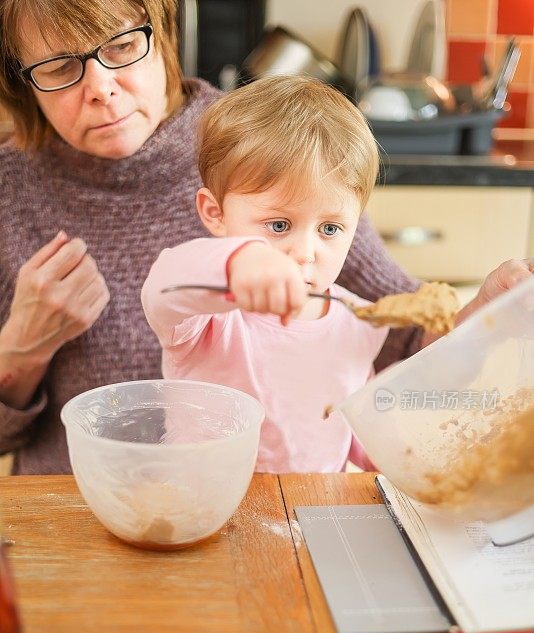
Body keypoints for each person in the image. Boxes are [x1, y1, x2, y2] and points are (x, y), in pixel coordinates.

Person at [0, 0, 531, 475]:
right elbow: (166, 288)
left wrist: (486, 318)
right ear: (21, 77)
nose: (100, 87)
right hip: (71, 513)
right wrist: (19, 351)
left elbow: (403, 348)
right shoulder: (10, 188)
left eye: (120, 46)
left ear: (161, 31)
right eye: (60, 67)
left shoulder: (273, 147)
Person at [142, 75, 391, 471]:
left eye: (330, 229)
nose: (305, 254)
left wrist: (390, 450)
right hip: (210, 512)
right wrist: (241, 262)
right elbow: (162, 287)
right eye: (278, 226)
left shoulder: (359, 321)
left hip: (312, 518)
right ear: (215, 213)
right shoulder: (206, 321)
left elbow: (349, 433)